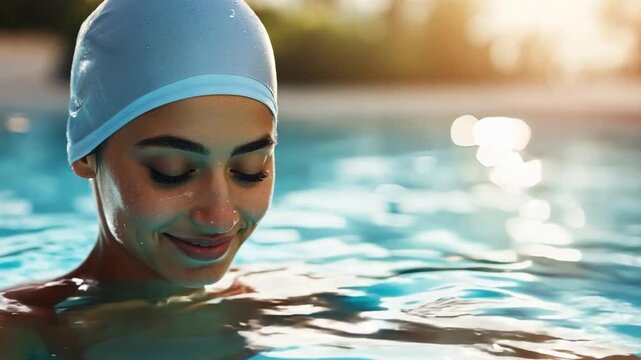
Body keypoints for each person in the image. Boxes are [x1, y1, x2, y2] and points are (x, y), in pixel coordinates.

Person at [0, 0, 277, 357]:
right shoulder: (23, 332)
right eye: (171, 171)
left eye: (251, 170)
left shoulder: (282, 302)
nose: (221, 217)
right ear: (87, 152)